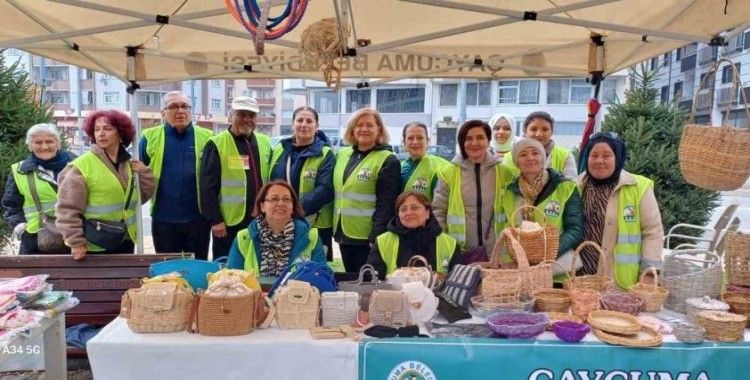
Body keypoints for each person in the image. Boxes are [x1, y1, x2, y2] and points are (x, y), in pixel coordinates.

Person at [56, 110, 155, 259]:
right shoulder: (81, 167)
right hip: (94, 243)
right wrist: (75, 242)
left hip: (124, 239)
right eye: (97, 129)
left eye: (107, 129)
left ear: (120, 133)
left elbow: (140, 198)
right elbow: (67, 210)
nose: (101, 133)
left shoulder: (129, 165)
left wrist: (144, 173)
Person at [577, 132, 664, 289]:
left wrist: (649, 273)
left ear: (618, 157)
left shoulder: (638, 187)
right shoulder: (576, 186)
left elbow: (653, 232)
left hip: (619, 281)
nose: (599, 161)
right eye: (594, 155)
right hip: (580, 276)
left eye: (607, 155)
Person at [139, 91, 213, 260]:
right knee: (168, 270)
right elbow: (139, 175)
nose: (180, 111)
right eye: (173, 106)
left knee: (197, 268)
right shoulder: (149, 138)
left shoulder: (208, 137)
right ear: (162, 113)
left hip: (198, 219)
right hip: (163, 219)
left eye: (184, 106)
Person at [201, 96, 272, 260]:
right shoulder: (217, 144)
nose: (247, 119)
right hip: (229, 223)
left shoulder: (265, 142)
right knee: (228, 266)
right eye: (241, 114)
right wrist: (215, 220)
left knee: (256, 264)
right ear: (231, 116)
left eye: (251, 115)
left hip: (259, 220)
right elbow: (207, 187)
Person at [433, 120, 515, 256]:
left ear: (488, 141)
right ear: (461, 143)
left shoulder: (506, 172)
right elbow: (438, 212)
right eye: (468, 138)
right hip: (459, 252)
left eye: (480, 138)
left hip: (498, 252)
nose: (474, 143)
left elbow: (514, 212)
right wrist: (445, 245)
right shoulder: (448, 172)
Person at [333, 108, 401, 273]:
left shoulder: (387, 160)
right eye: (359, 125)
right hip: (343, 234)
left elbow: (387, 204)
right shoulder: (343, 154)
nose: (363, 129)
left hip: (367, 237)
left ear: (379, 129)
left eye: (369, 125)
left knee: (366, 283)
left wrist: (376, 236)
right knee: (350, 278)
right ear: (352, 130)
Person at [499, 138, 583, 261]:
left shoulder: (565, 187)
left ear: (543, 158)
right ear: (516, 162)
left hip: (555, 267)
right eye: (523, 154)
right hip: (519, 267)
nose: (530, 158)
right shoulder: (508, 191)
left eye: (535, 153)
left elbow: (575, 230)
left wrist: (547, 253)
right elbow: (507, 229)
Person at [269, 106, 335, 260]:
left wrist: (294, 210)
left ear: (316, 126)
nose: (304, 124)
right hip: (281, 222)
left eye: (309, 121)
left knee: (314, 271)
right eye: (299, 120)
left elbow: (325, 190)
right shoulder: (280, 149)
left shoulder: (325, 154)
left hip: (315, 225)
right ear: (293, 124)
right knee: (283, 268)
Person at [2, 124, 76, 254]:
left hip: (76, 236)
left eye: (49, 141)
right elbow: (10, 205)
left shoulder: (78, 165)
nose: (44, 146)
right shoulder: (19, 171)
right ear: (30, 146)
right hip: (35, 240)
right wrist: (20, 228)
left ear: (58, 143)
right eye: (38, 142)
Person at [227, 181, 325, 276]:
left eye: (286, 199)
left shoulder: (311, 236)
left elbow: (321, 276)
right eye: (274, 199)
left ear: (293, 206)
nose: (281, 203)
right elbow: (231, 279)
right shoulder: (244, 238)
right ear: (262, 206)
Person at [368, 191, 460, 277]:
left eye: (414, 208)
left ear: (427, 213)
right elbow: (371, 280)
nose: (409, 213)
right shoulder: (383, 242)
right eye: (403, 209)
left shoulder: (450, 244)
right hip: (394, 294)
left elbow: (457, 283)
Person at [503, 111, 577, 177]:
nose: (539, 134)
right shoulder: (510, 157)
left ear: (552, 132)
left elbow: (571, 186)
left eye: (545, 129)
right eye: (533, 129)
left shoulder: (565, 156)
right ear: (525, 132)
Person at [400, 122, 449, 201]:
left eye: (420, 138)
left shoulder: (442, 166)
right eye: (410, 138)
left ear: (427, 142)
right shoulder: (399, 167)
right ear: (404, 143)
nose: (415, 142)